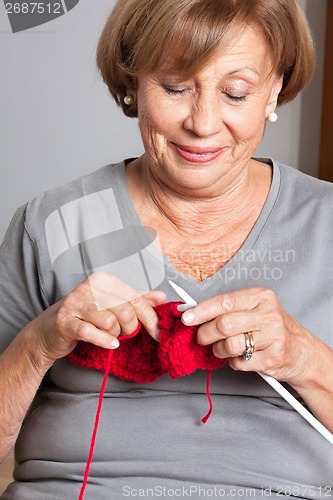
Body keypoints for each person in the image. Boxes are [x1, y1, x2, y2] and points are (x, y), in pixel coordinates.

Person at [0, 0, 332, 498]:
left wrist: (306, 358)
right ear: (133, 83)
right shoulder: (49, 224)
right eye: (176, 87)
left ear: (275, 89)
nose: (202, 123)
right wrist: (41, 341)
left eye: (236, 93)